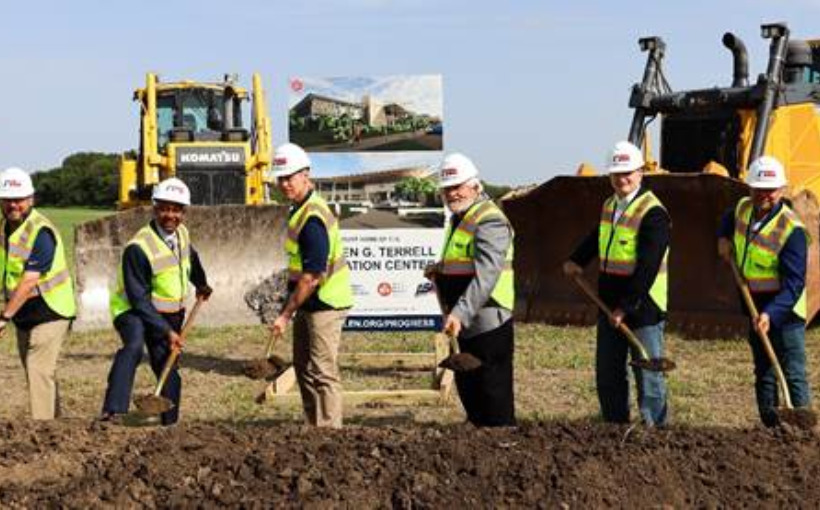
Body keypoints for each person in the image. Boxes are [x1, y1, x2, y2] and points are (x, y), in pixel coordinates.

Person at [563, 140, 670, 427]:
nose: (622, 179)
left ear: (640, 173)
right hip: (607, 302)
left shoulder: (654, 213)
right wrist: (577, 260)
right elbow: (598, 237)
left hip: (643, 306)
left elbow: (647, 267)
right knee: (608, 372)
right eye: (616, 173)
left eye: (628, 173)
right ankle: (614, 427)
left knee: (648, 372)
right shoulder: (610, 205)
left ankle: (654, 430)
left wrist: (626, 307)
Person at [100, 178, 211, 425]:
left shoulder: (181, 233)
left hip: (165, 314)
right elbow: (138, 299)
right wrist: (167, 331)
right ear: (154, 208)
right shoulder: (138, 248)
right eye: (164, 208)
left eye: (176, 209)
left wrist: (201, 284)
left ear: (184, 212)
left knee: (169, 369)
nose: (170, 215)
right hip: (132, 310)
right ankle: (113, 409)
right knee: (134, 346)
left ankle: (169, 425)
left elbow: (190, 258)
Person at [717, 156, 812, 427]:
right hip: (753, 305)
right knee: (764, 370)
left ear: (781, 190)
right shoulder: (743, 209)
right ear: (750, 189)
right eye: (758, 189)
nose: (764, 195)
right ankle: (769, 430)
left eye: (770, 190)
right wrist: (723, 237)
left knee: (792, 371)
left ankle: (802, 431)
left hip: (785, 310)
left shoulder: (791, 231)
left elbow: (794, 284)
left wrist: (771, 314)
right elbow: (727, 217)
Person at [427, 153, 516, 427]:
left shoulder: (490, 220)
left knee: (493, 395)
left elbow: (486, 275)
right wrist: (440, 270)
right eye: (447, 188)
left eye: (458, 186)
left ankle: (503, 446)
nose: (452, 193)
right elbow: (463, 262)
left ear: (475, 186)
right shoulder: (460, 218)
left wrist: (460, 313)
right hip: (464, 321)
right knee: (472, 392)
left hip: (487, 321)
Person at [270, 143, 353, 428]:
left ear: (305, 174)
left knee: (322, 371)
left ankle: (330, 433)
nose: (284, 184)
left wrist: (285, 313)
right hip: (309, 303)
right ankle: (313, 426)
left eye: (289, 177)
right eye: (280, 178)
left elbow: (312, 276)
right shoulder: (300, 209)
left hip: (326, 303)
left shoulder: (313, 218)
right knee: (303, 368)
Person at [0, 167, 76, 420]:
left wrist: (4, 317)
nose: (13, 205)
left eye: (19, 199)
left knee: (38, 370)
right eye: (8, 199)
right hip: (23, 314)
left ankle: (42, 435)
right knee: (40, 374)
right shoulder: (4, 230)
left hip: (51, 310)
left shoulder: (41, 232)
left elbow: (29, 280)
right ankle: (56, 427)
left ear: (31, 199)